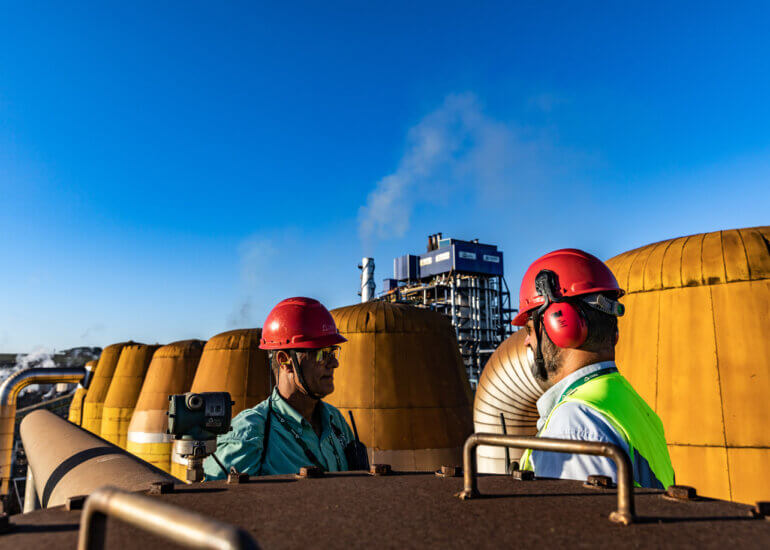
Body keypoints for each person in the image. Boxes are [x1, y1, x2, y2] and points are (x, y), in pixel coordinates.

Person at [513, 249, 674, 489]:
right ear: (614, 334)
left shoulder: (575, 425)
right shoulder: (628, 403)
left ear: (561, 325)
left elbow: (575, 524)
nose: (527, 341)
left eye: (529, 330)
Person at [203, 297, 361, 478]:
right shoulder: (250, 434)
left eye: (333, 352)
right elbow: (219, 503)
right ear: (284, 360)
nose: (334, 363)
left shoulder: (336, 422)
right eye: (321, 354)